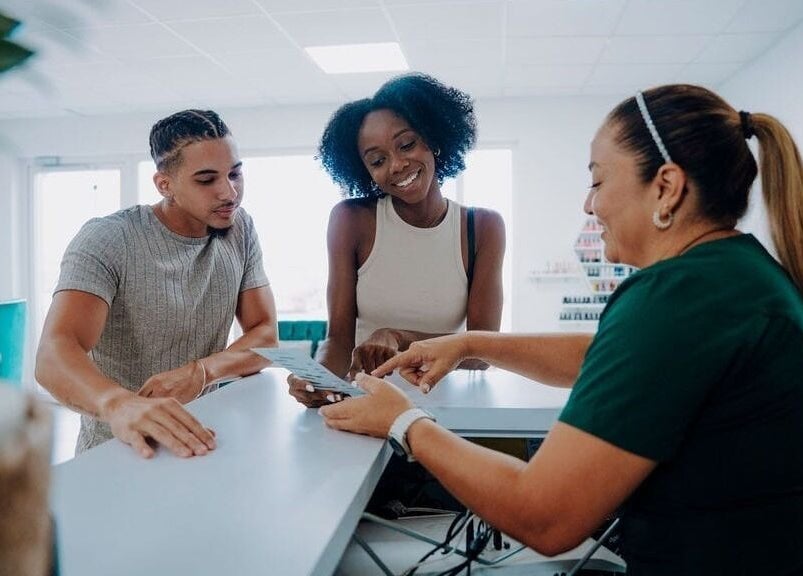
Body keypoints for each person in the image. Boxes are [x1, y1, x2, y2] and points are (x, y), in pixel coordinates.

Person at [318, 84, 803, 574]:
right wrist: (467, 341)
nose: (589, 207)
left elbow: (544, 517)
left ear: (666, 187)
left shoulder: (675, 297)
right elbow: (611, 355)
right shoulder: (735, 275)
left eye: (597, 182)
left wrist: (403, 421)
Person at [36, 109, 278, 459]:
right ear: (165, 185)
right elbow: (53, 354)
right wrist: (119, 404)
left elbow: (265, 332)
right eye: (207, 180)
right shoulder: (109, 238)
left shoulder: (240, 230)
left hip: (203, 440)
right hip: (118, 452)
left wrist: (202, 372)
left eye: (235, 174)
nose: (230, 193)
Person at [288, 73, 505, 408]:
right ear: (364, 171)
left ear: (433, 138)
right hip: (368, 403)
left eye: (407, 145)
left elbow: (482, 352)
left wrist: (399, 338)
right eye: (377, 160)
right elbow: (339, 341)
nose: (398, 165)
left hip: (444, 408)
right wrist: (317, 380)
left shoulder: (483, 227)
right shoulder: (351, 220)